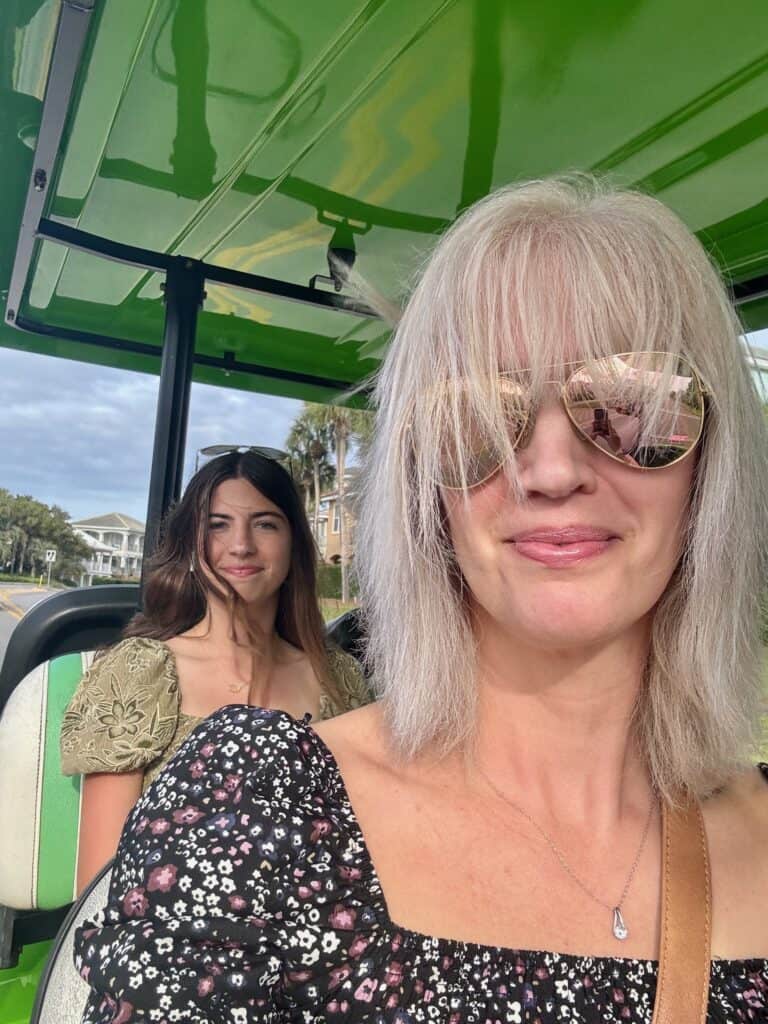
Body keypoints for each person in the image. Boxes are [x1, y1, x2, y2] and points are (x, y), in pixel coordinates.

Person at [73, 178, 768, 1022]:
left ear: (713, 463)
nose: (549, 472)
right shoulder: (257, 800)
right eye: (475, 415)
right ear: (422, 491)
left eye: (633, 404)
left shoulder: (331, 673)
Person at [61, 448, 370, 893]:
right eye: (217, 525)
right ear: (190, 544)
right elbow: (100, 880)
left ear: (294, 546)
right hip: (167, 942)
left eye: (265, 523)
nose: (241, 544)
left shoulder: (336, 678)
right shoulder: (141, 671)